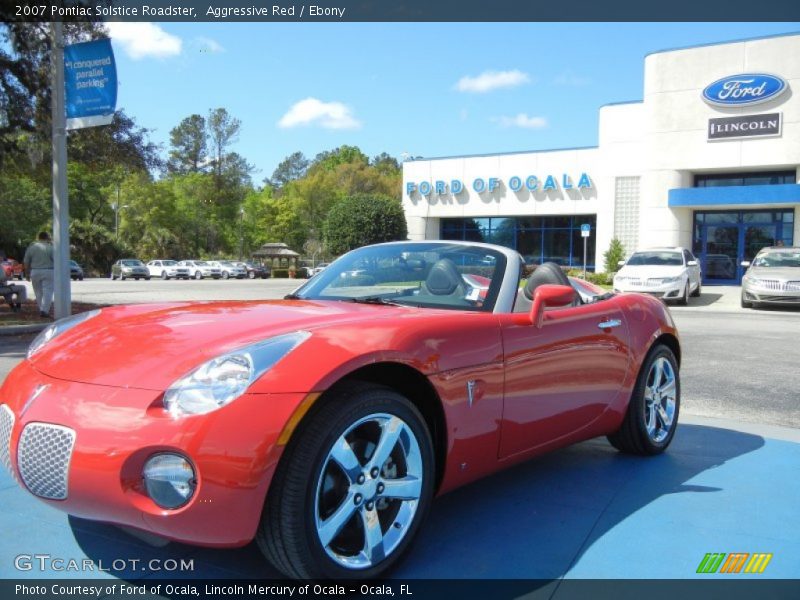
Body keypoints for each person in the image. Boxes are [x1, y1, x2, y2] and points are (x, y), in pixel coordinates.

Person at [23, 231, 55, 319]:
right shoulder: (51, 248)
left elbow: (26, 262)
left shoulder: (32, 247)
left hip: (35, 271)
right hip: (48, 271)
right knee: (48, 291)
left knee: (38, 292)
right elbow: (56, 260)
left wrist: (27, 273)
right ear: (47, 237)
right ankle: (44, 310)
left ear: (38, 237)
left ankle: (42, 309)